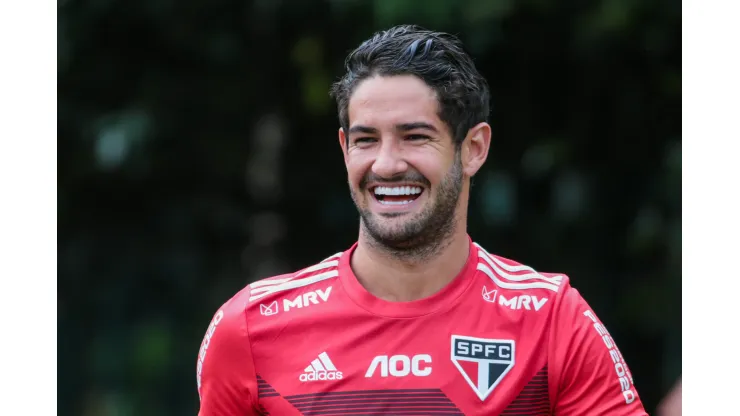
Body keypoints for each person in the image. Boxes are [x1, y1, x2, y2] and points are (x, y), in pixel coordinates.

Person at [196, 25, 649, 415]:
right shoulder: (252, 326)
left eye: (415, 137)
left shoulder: (551, 320)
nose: (387, 164)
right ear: (344, 149)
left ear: (474, 148)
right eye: (366, 140)